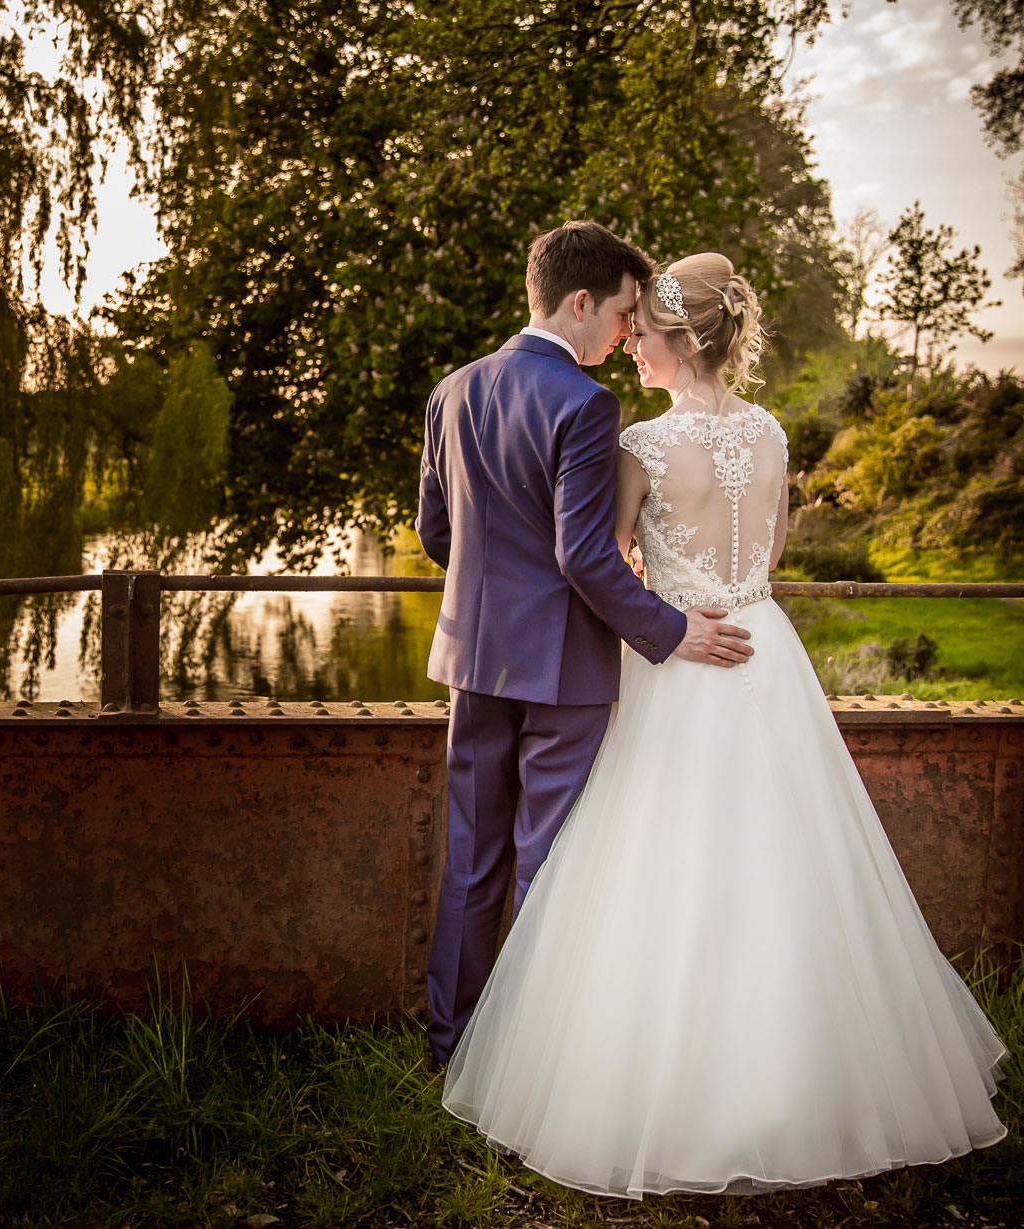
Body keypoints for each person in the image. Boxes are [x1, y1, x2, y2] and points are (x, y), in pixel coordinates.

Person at [437, 251, 1009, 1197]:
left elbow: (603, 561)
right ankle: (802, 1076)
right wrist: (716, 583)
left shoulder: (640, 445)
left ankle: (600, 1068)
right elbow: (769, 550)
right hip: (761, 647)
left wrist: (666, 605)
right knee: (791, 860)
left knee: (652, 860)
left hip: (676, 655)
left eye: (646, 334)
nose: (633, 347)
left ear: (682, 339)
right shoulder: (774, 433)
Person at [415, 223, 756, 1072]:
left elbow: (436, 533)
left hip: (472, 661)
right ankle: (531, 1057)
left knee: (471, 860)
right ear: (579, 303)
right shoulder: (585, 403)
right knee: (549, 861)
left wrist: (494, 595)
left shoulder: (452, 391)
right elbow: (584, 555)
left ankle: (451, 1045)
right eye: (621, 313)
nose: (625, 333)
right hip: (563, 669)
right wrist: (671, 629)